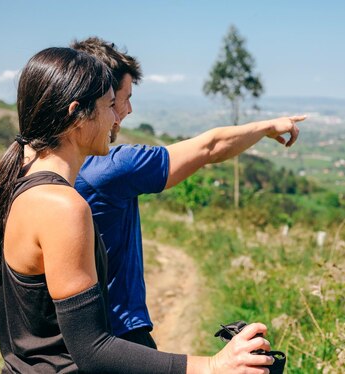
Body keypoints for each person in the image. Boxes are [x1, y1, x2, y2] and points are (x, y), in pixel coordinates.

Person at [0, 46, 275, 373]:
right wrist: (214, 365)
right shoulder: (62, 206)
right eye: (110, 105)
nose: (116, 117)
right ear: (77, 114)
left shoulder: (17, 181)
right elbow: (92, 349)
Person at [71, 37, 307, 348]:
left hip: (79, 338)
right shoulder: (110, 168)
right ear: (100, 99)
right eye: (124, 98)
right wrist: (266, 127)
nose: (128, 110)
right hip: (121, 335)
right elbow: (210, 147)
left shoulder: (43, 167)